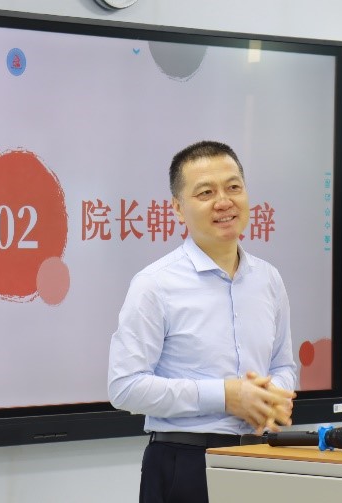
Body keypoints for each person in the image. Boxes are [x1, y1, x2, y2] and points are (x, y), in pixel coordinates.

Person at [108, 140, 297, 503]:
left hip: (262, 456)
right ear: (178, 209)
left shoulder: (269, 279)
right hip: (185, 462)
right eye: (206, 192)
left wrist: (274, 394)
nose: (224, 202)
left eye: (233, 187)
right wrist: (226, 396)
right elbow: (125, 387)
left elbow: (283, 365)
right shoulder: (154, 284)